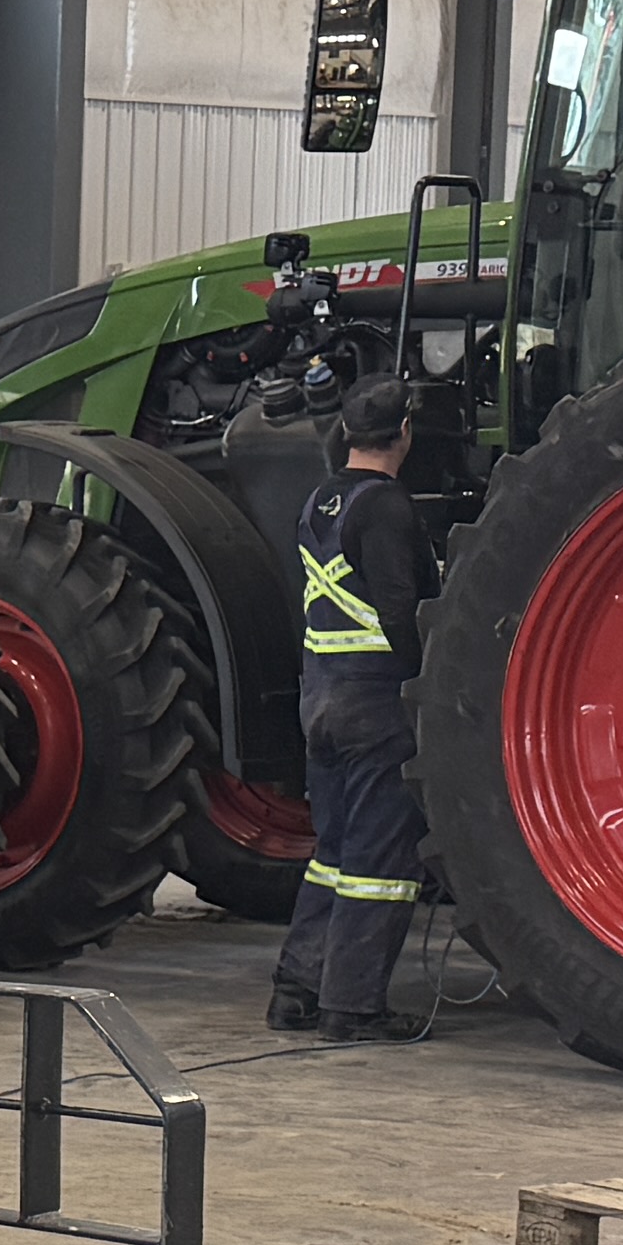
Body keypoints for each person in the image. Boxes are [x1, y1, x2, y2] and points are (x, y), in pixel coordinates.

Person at [277, 396, 433, 1039]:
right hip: (374, 700)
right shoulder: (389, 507)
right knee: (378, 862)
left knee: (333, 854)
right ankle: (352, 1008)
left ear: (346, 431)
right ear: (404, 431)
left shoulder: (318, 502)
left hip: (320, 698)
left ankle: (294, 992)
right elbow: (400, 609)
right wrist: (430, 681)